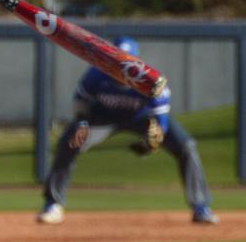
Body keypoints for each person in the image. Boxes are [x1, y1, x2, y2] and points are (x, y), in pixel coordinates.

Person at [36, 37, 218, 226]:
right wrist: (81, 124)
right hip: (102, 117)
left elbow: (160, 124)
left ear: (136, 62)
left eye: (126, 62)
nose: (120, 67)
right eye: (116, 61)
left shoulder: (151, 81)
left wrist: (151, 143)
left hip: (141, 119)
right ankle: (53, 204)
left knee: (186, 146)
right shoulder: (97, 74)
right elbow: (81, 103)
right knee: (68, 143)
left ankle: (201, 207)